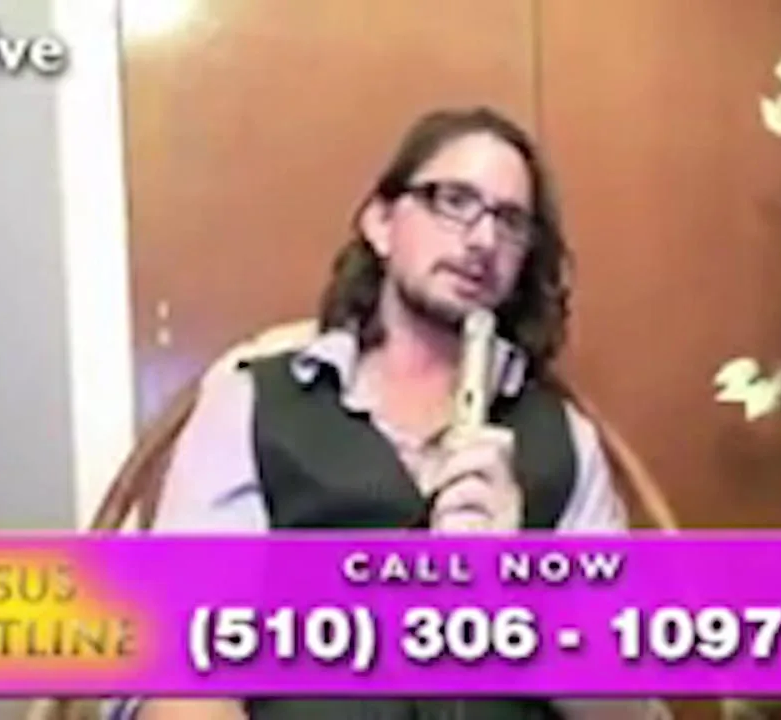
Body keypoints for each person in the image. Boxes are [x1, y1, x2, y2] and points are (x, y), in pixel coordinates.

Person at [115, 107, 670, 720]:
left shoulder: (565, 439)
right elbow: (181, 683)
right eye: (453, 201)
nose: (482, 241)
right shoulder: (251, 403)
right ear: (380, 223)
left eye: (510, 221)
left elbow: (627, 709)